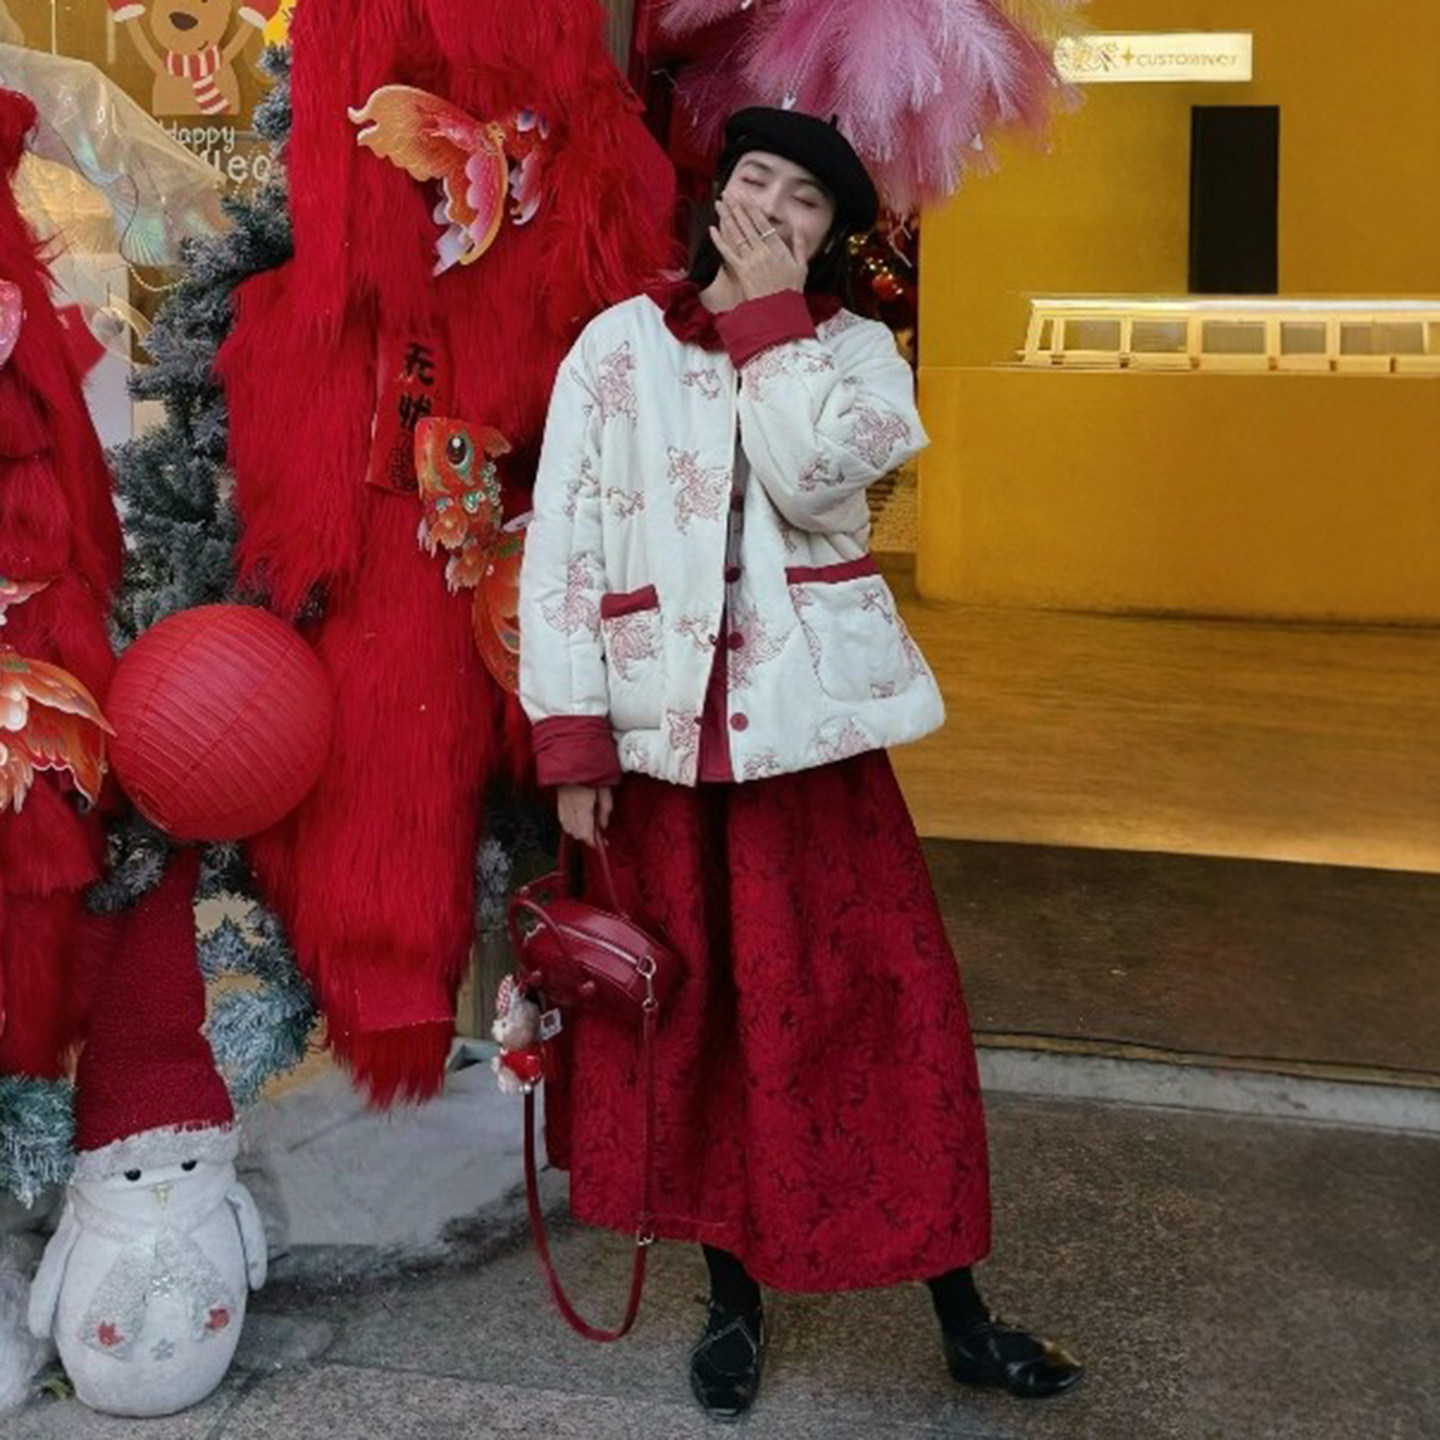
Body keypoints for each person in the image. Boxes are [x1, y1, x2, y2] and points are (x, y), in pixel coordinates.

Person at [518, 106, 1083, 1421]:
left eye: (808, 200)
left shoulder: (860, 362)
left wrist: (771, 327)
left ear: (835, 236)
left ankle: (961, 1312)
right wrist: (572, 738)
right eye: (755, 180)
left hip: (812, 752)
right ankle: (733, 1304)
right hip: (661, 762)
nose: (774, 206)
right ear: (718, 196)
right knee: (706, 1027)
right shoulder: (616, 348)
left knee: (887, 1020)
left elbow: (814, 473)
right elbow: (565, 552)